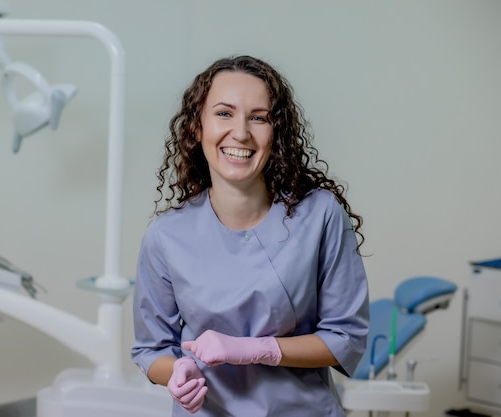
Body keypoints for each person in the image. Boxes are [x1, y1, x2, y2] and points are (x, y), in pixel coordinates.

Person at [131, 55, 369, 416]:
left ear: (277, 133)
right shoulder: (166, 236)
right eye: (224, 113)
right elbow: (151, 350)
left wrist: (260, 349)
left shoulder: (320, 215)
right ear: (197, 126)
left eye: (259, 117)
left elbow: (346, 338)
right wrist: (177, 372)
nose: (240, 132)